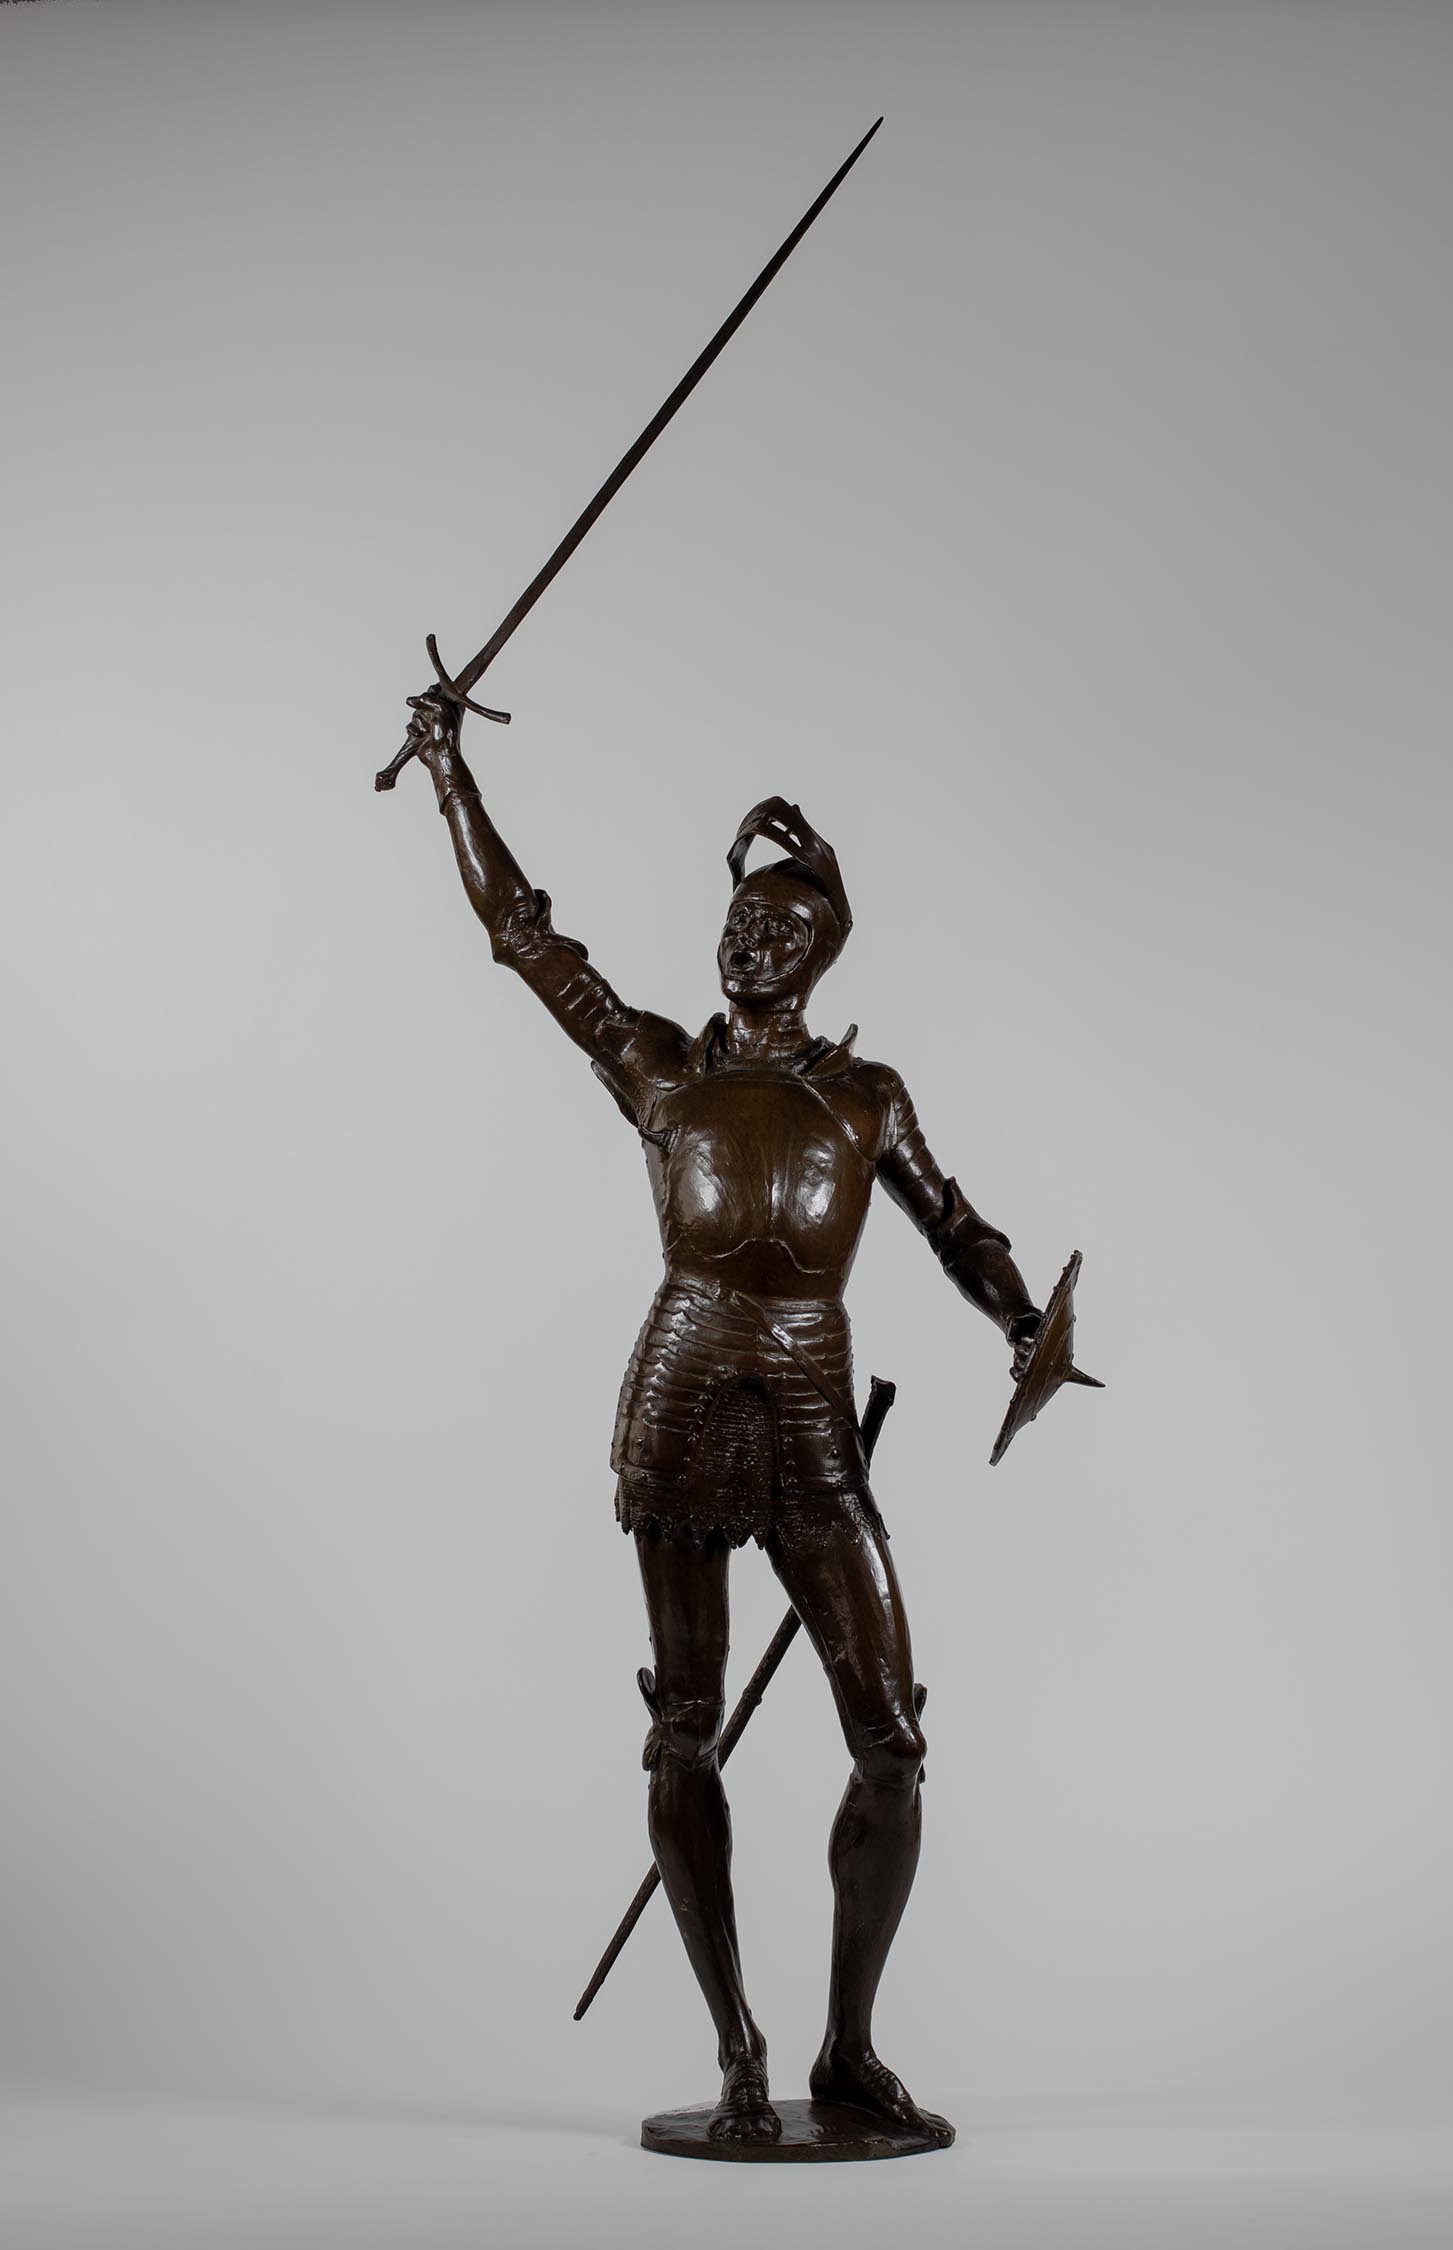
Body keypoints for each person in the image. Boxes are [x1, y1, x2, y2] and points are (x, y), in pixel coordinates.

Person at [400, 694, 1041, 2145]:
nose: (753, 941)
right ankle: (736, 2043)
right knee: (684, 1731)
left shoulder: (865, 1096)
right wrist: (453, 774)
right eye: (742, 920)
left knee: (891, 1743)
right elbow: (529, 944)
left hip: (813, 1410)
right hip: (683, 1401)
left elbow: (954, 1225)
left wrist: (1018, 1320)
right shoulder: (665, 1070)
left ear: (820, 954)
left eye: (782, 929)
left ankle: (847, 2050)